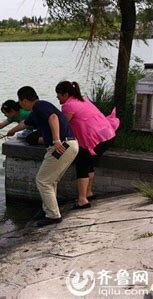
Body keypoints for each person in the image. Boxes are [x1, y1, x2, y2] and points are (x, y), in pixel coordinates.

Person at [17, 86, 79, 227]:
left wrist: (56, 139)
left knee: (42, 181)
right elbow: (24, 124)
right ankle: (47, 210)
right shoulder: (36, 111)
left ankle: (53, 215)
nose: (20, 104)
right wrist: (10, 131)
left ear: (25, 100)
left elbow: (53, 117)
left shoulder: (40, 106)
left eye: (20, 101)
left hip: (62, 145)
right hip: (69, 144)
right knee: (50, 181)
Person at [55, 81, 119, 209]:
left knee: (82, 166)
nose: (57, 97)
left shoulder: (68, 106)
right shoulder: (82, 100)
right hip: (107, 135)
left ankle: (82, 200)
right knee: (89, 164)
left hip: (94, 139)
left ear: (66, 94)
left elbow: (63, 126)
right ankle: (88, 193)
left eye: (59, 95)